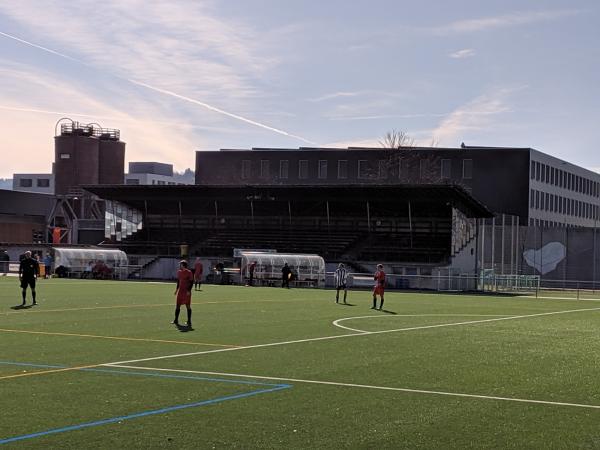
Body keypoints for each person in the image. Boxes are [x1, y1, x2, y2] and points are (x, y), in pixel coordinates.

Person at [173, 260, 194, 328]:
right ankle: (176, 320)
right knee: (177, 305)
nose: (180, 265)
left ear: (183, 265)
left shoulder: (189, 272)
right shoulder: (179, 272)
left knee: (187, 306)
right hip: (180, 291)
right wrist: (176, 290)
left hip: (186, 291)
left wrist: (189, 290)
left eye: (181, 264)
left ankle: (189, 321)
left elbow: (191, 282)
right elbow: (178, 281)